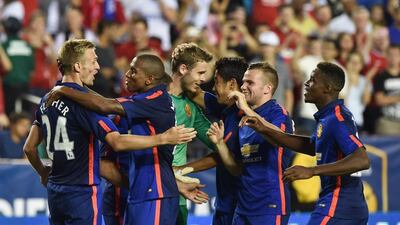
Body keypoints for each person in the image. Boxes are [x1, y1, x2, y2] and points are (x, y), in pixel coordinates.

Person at [23, 39, 198, 225]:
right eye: (93, 61)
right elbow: (117, 141)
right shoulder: (87, 106)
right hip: (82, 192)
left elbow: (29, 148)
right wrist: (163, 138)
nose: (98, 66)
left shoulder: (46, 100)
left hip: (55, 191)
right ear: (77, 66)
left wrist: (43, 173)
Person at [240, 62, 370, 225]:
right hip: (343, 204)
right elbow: (310, 146)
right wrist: (265, 130)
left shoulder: (337, 118)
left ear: (327, 88)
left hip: (339, 205)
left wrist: (312, 170)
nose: (307, 83)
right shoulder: (328, 117)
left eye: (313, 80)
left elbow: (362, 159)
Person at [211, 62, 294, 225]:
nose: (243, 87)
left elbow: (280, 139)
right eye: (243, 82)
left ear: (267, 89)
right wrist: (219, 143)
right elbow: (236, 169)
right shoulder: (243, 119)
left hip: (270, 206)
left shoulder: (278, 114)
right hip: (242, 207)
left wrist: (248, 111)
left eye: (250, 83)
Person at [176, 57, 248, 225]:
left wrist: (182, 168)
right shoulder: (225, 107)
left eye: (216, 81)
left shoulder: (248, 119)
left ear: (231, 85)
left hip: (241, 204)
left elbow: (230, 160)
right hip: (224, 204)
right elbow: (195, 92)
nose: (214, 88)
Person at [168, 42, 215, 225]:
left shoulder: (190, 106)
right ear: (183, 69)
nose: (203, 79)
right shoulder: (153, 99)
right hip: (153, 191)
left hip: (179, 196)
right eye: (200, 73)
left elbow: (217, 142)